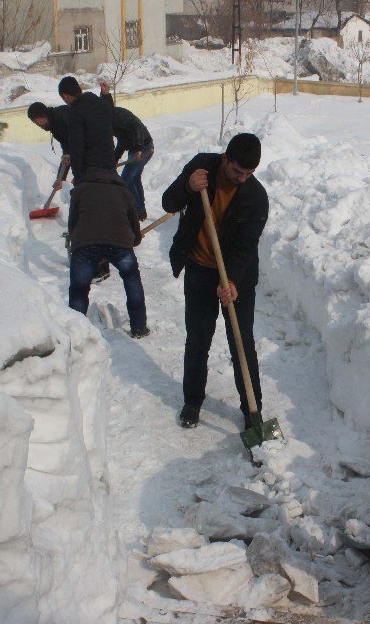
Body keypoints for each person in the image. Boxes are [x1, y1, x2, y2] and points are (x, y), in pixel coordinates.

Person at [162, 133, 268, 429]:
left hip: (238, 276)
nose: (242, 178)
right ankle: (192, 401)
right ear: (225, 159)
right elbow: (168, 202)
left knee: (241, 342)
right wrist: (187, 186)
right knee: (198, 339)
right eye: (237, 171)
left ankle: (252, 413)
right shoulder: (202, 169)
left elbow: (246, 246)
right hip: (198, 270)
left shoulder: (256, 198)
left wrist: (232, 280)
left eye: (249, 174)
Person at [66, 161, 149, 339]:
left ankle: (76, 334)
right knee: (131, 278)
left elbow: (73, 222)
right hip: (120, 243)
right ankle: (139, 327)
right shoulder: (124, 191)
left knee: (79, 288)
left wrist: (77, 243)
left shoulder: (80, 190)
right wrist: (134, 239)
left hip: (86, 244)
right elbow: (134, 223)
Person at [99, 84, 154, 221]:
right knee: (134, 178)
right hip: (136, 148)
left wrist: (138, 149)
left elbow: (137, 128)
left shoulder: (119, 115)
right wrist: (114, 160)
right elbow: (122, 142)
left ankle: (137, 211)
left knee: (127, 179)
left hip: (145, 147)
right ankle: (141, 212)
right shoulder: (110, 122)